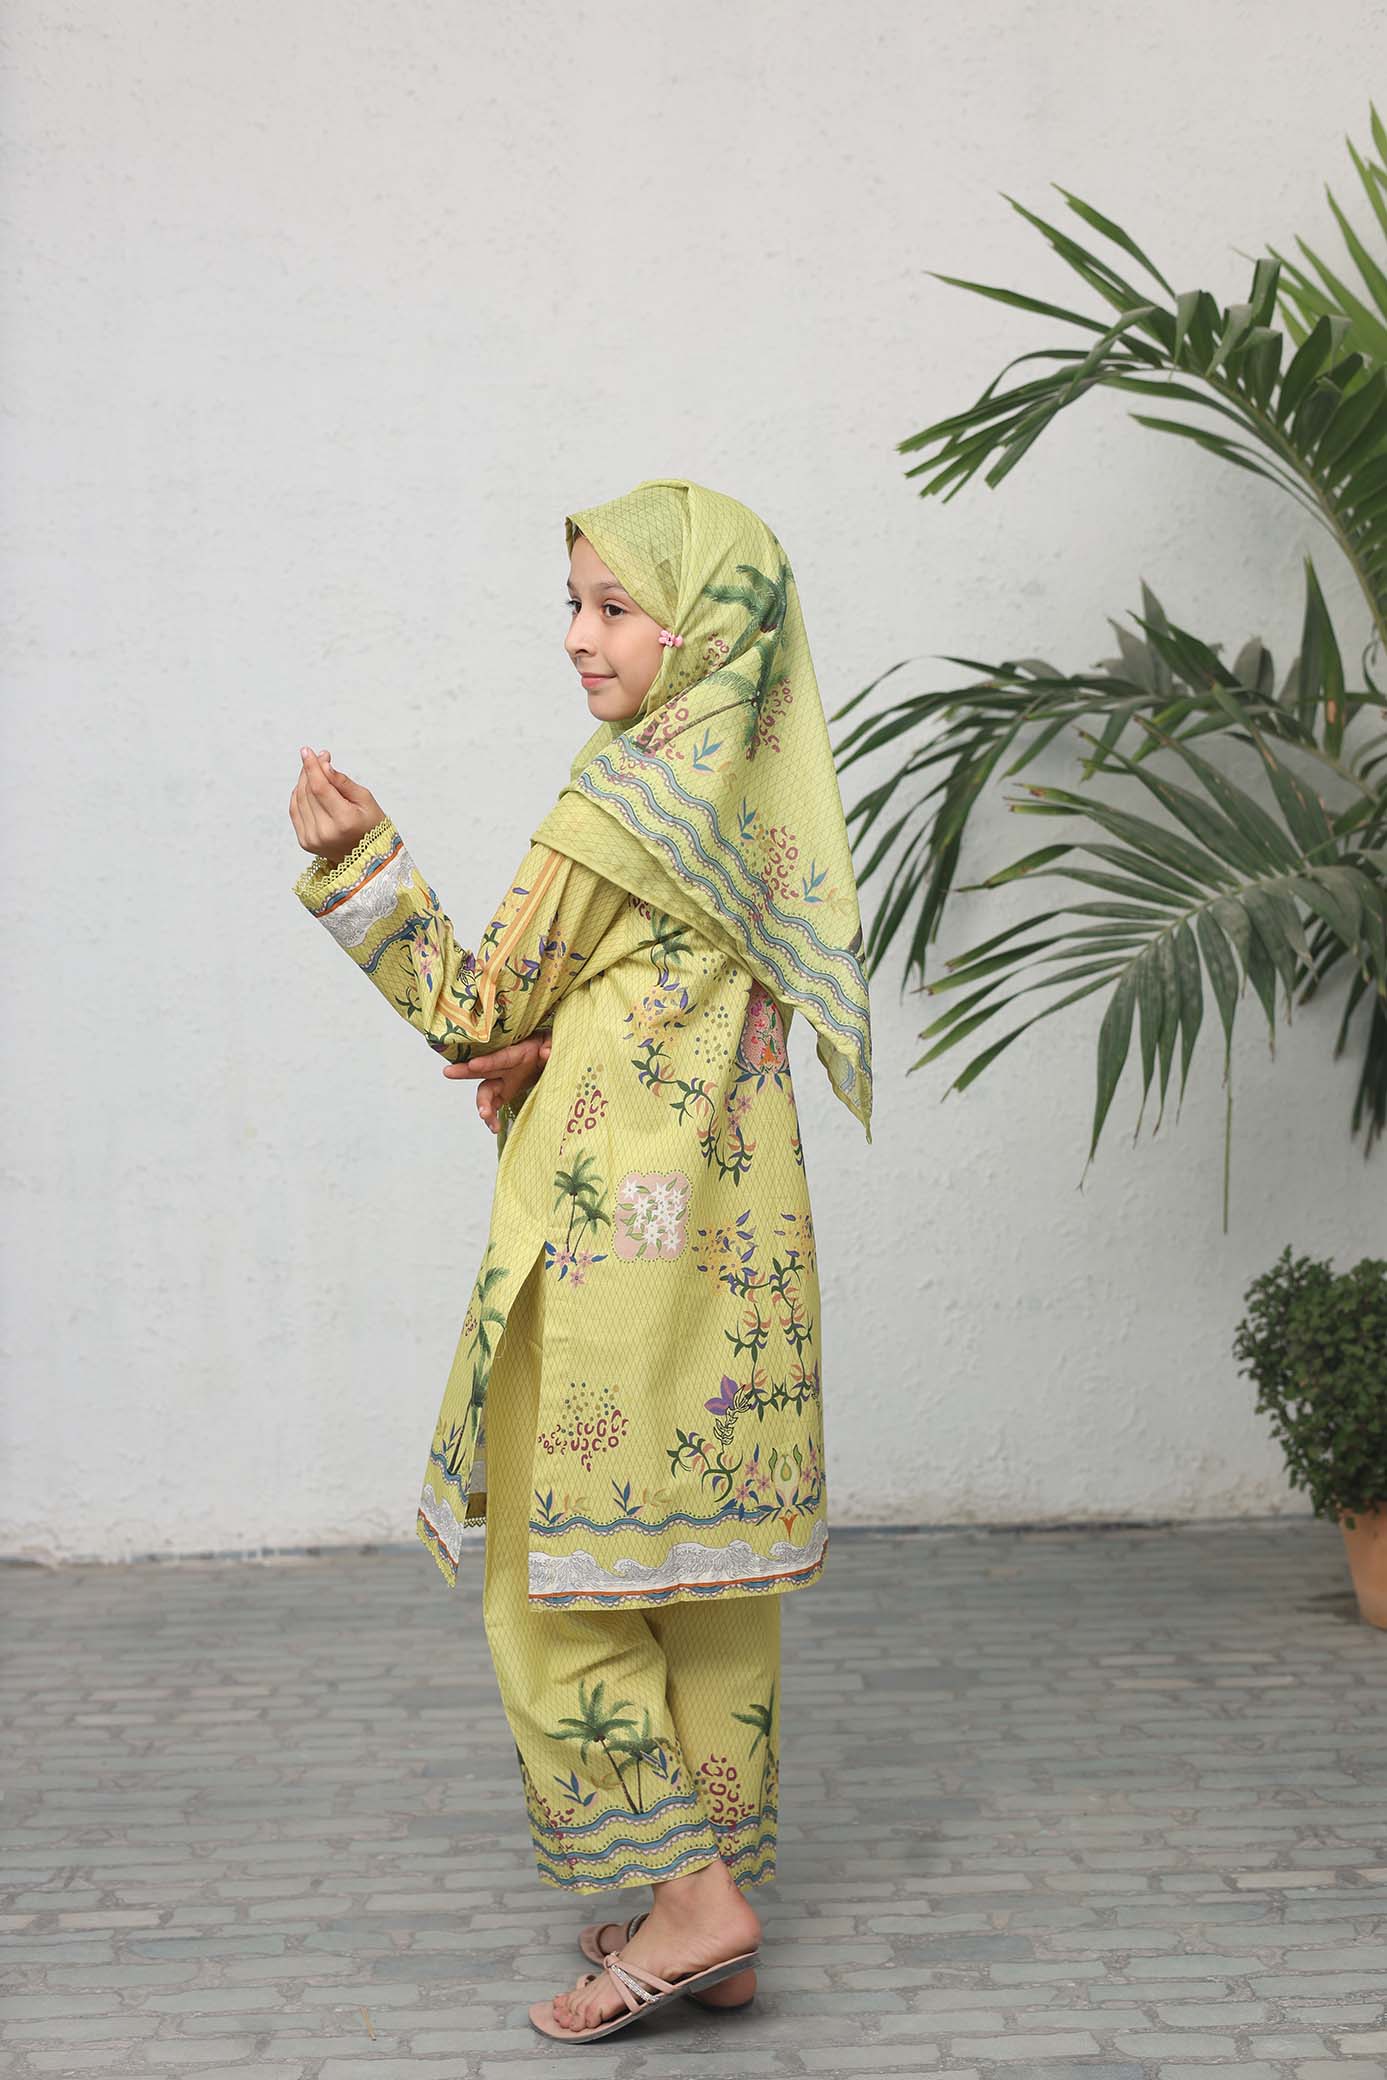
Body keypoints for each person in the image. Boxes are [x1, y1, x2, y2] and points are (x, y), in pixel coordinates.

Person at [288, 477, 872, 2042]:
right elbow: (673, 996)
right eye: (573, 603)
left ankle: (689, 1904)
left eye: (616, 607)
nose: (578, 637)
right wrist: (568, 1048)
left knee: (552, 1587)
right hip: (736, 1259)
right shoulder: (755, 793)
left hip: (619, 1258)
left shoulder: (620, 804)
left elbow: (473, 1002)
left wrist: (361, 866)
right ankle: (719, 1926)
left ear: (703, 629)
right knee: (708, 1589)